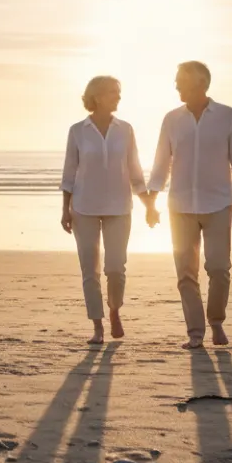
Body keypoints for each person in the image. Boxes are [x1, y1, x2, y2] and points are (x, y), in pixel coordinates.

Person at [146, 61, 232, 350]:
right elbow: (161, 163)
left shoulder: (228, 116)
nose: (176, 85)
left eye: (181, 80)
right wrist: (151, 200)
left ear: (200, 83)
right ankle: (195, 332)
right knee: (185, 273)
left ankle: (216, 321)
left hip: (219, 203)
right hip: (180, 206)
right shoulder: (171, 119)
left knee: (219, 268)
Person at [61, 75, 156, 344]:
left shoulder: (125, 129)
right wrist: (65, 209)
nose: (118, 97)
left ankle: (114, 309)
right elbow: (69, 172)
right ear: (98, 96)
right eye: (113, 92)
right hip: (83, 207)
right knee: (89, 270)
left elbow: (136, 171)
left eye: (118, 92)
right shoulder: (77, 131)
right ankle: (97, 326)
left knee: (115, 267)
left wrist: (149, 205)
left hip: (119, 207)